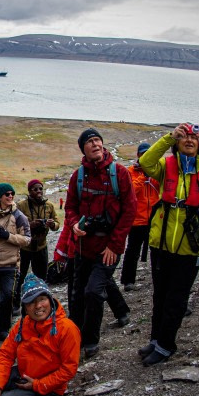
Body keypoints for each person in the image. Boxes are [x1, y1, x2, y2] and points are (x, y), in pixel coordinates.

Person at [138, 123, 199, 365]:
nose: (190, 141)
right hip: (161, 243)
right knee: (160, 295)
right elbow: (146, 163)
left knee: (176, 297)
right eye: (185, 138)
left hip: (190, 245)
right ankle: (155, 339)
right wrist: (168, 137)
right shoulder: (165, 166)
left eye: (195, 139)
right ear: (177, 144)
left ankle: (166, 345)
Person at [64, 128, 136, 359]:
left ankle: (91, 340)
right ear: (83, 148)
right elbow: (70, 208)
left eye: (98, 140)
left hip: (108, 249)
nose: (95, 144)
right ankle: (74, 337)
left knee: (94, 292)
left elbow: (129, 212)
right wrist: (75, 224)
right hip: (83, 248)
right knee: (76, 296)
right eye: (90, 141)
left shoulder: (120, 174)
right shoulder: (79, 176)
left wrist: (114, 246)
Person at [0, 183, 31, 341]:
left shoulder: (19, 216)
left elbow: (27, 240)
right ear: (0, 197)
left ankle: (4, 328)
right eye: (7, 194)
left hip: (10, 265)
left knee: (6, 297)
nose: (10, 196)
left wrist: (7, 236)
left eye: (12, 193)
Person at [120, 143, 160, 291]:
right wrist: (143, 176)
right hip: (137, 219)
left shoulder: (157, 170)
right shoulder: (130, 172)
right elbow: (129, 193)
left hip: (155, 218)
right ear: (138, 156)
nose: (145, 156)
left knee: (157, 251)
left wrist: (152, 173)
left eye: (148, 153)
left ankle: (159, 279)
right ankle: (127, 281)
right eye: (143, 154)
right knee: (132, 251)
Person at [15, 179, 59, 311]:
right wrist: (30, 224)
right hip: (25, 247)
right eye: (35, 189)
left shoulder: (49, 205)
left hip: (41, 246)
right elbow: (15, 224)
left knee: (41, 276)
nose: (39, 191)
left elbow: (57, 224)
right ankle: (16, 304)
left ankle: (42, 303)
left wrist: (52, 224)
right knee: (20, 276)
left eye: (40, 188)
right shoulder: (21, 205)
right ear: (29, 191)